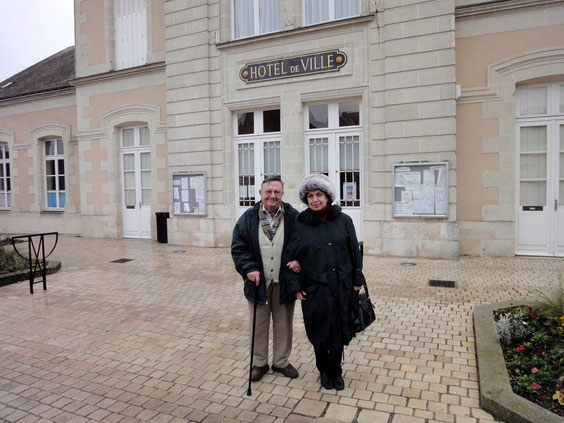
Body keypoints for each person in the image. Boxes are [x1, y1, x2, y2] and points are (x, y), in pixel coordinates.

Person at [286, 173, 365, 391]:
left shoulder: (344, 221)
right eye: (310, 196)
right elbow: (290, 258)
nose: (314, 199)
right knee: (320, 332)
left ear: (327, 196)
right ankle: (323, 370)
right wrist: (295, 286)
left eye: (318, 194)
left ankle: (336, 371)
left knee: (340, 329)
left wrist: (357, 278)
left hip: (341, 286)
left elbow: (354, 253)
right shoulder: (300, 224)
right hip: (315, 289)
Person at [231, 175, 301, 382]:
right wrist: (248, 268)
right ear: (260, 193)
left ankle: (281, 362)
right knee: (258, 324)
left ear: (282, 194)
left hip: (284, 281)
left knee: (284, 324)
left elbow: (303, 244)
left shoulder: (294, 216)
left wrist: (299, 261)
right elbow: (238, 247)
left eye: (277, 192)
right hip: (257, 282)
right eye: (268, 191)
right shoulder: (248, 218)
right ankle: (259, 363)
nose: (272, 196)